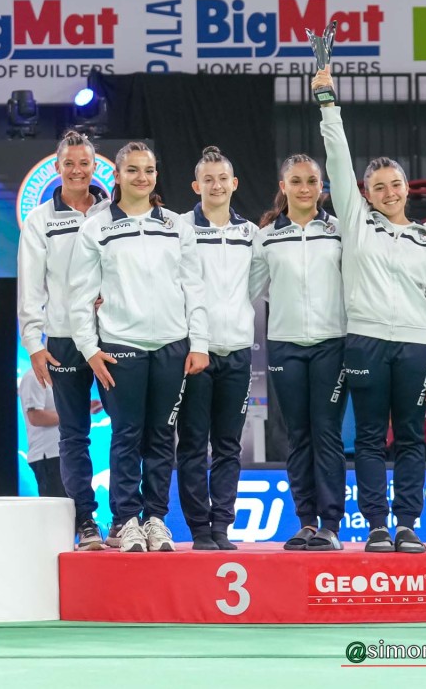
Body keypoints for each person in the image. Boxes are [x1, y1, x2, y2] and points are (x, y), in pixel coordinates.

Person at [314, 67, 426, 554]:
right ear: (366, 193)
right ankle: (376, 525)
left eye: (395, 184)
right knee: (370, 438)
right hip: (366, 342)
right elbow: (337, 158)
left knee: (411, 438)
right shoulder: (356, 223)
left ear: (407, 188)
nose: (388, 192)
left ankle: (408, 525)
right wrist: (328, 104)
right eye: (378, 187)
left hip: (416, 348)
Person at [67, 142, 208, 552]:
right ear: (117, 176)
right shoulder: (96, 227)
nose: (141, 177)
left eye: (148, 170)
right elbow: (80, 295)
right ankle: (127, 520)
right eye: (132, 170)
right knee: (126, 435)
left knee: (162, 436)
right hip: (120, 346)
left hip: (172, 346)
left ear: (156, 175)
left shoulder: (177, 226)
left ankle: (156, 519)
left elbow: (194, 288)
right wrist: (89, 349)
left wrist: (198, 343)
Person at [250, 154, 347, 552]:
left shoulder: (339, 231)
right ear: (283, 186)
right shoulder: (267, 236)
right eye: (296, 181)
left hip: (332, 344)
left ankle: (331, 525)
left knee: (326, 432)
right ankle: (306, 522)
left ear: (322, 186)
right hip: (285, 345)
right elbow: (254, 287)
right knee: (297, 434)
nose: (305, 188)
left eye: (311, 181)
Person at [18, 130, 110, 547]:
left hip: (112, 336)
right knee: (73, 435)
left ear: (94, 167)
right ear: (57, 168)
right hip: (62, 339)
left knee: (128, 432)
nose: (76, 171)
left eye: (84, 163)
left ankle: (127, 518)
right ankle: (85, 521)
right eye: (69, 164)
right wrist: (34, 344)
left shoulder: (113, 212)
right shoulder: (41, 220)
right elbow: (30, 286)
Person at [176, 147, 254, 552]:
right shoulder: (180, 228)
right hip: (194, 353)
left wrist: (238, 318)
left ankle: (221, 525)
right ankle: (199, 530)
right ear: (196, 186)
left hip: (238, 351)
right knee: (192, 444)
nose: (216, 185)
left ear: (234, 183)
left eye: (223, 178)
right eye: (208, 179)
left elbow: (257, 284)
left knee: (228, 446)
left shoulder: (251, 233)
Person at [17, 371, 65, 499]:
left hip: (67, 453)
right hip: (49, 455)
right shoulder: (33, 377)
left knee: (74, 506)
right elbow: (35, 417)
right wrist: (72, 417)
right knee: (56, 507)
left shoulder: (58, 375)